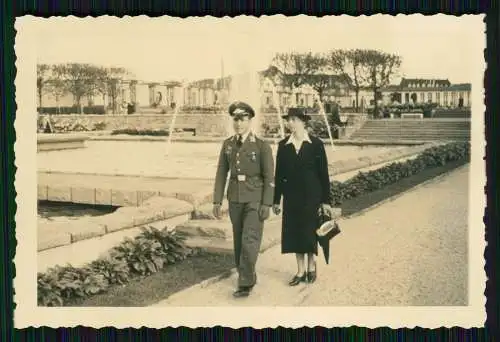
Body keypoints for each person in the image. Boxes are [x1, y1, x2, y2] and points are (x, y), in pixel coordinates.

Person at [213, 101, 275, 298]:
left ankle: (245, 283)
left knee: (250, 240)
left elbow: (269, 177)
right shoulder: (228, 144)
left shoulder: (261, 146)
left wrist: (267, 203)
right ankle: (247, 274)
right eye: (236, 119)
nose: (238, 123)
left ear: (250, 121)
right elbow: (221, 173)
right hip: (235, 198)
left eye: (243, 119)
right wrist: (217, 200)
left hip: (255, 198)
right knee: (239, 240)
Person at [272, 107, 333, 286]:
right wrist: (276, 200)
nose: (289, 123)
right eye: (288, 120)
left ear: (302, 121)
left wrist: (326, 201)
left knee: (309, 232)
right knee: (295, 233)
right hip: (292, 197)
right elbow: (279, 175)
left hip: (312, 196)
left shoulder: (316, 144)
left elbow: (324, 174)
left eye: (293, 119)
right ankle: (300, 271)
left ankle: (312, 267)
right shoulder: (284, 145)